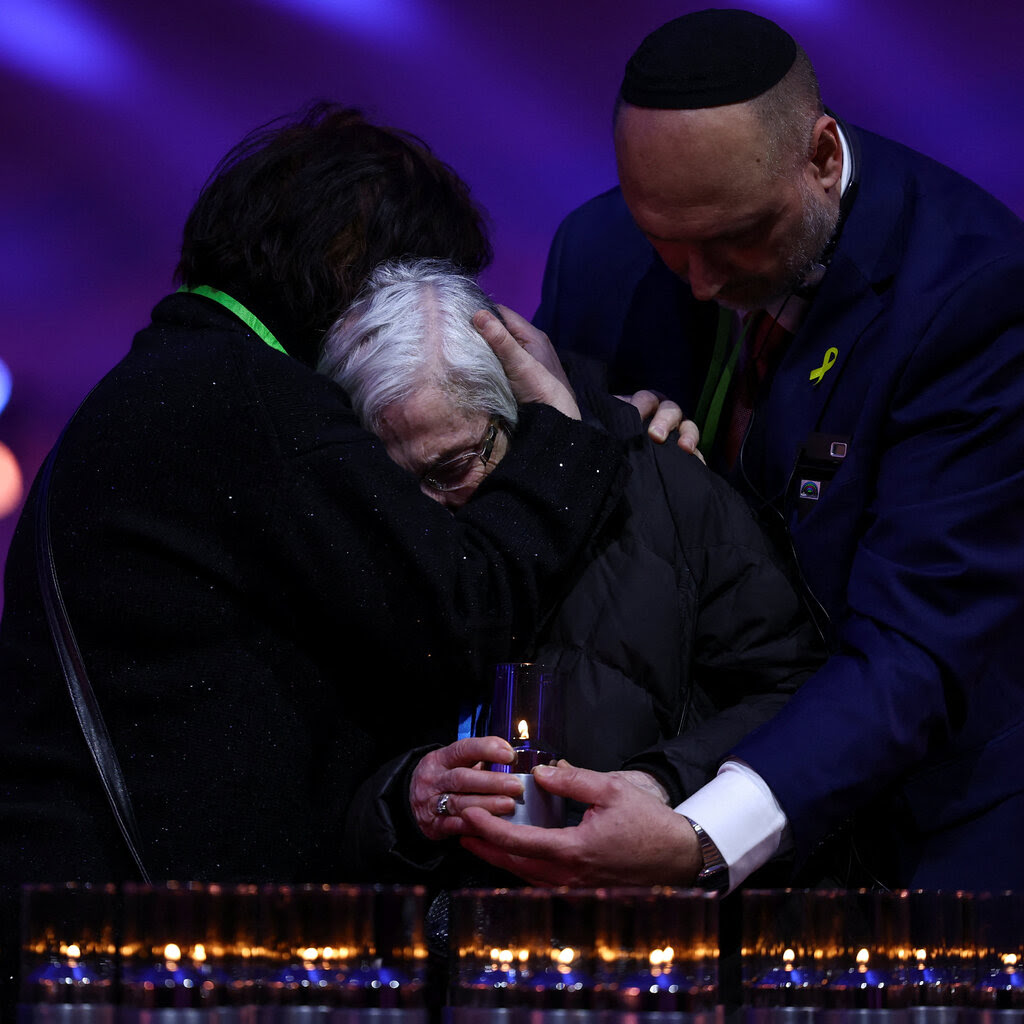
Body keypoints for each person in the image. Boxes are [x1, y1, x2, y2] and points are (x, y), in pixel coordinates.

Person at [0, 103, 635, 1007]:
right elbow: (459, 612)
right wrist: (566, 433)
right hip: (162, 956)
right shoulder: (251, 400)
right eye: (419, 286)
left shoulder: (166, 382)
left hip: (89, 930)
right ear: (358, 273)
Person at [463, 9, 1024, 892]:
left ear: (823, 157)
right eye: (665, 241)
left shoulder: (973, 293)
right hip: (657, 790)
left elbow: (917, 647)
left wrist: (701, 835)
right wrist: (579, 445)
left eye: (737, 236)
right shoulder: (598, 252)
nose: (702, 281)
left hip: (924, 831)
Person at [314, 257, 824, 879]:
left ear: (514, 409)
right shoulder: (337, 537)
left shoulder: (668, 489)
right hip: (427, 955)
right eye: (396, 489)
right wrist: (404, 800)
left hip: (635, 939)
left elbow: (799, 699)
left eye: (452, 470)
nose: (430, 518)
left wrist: (664, 782)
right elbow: (299, 781)